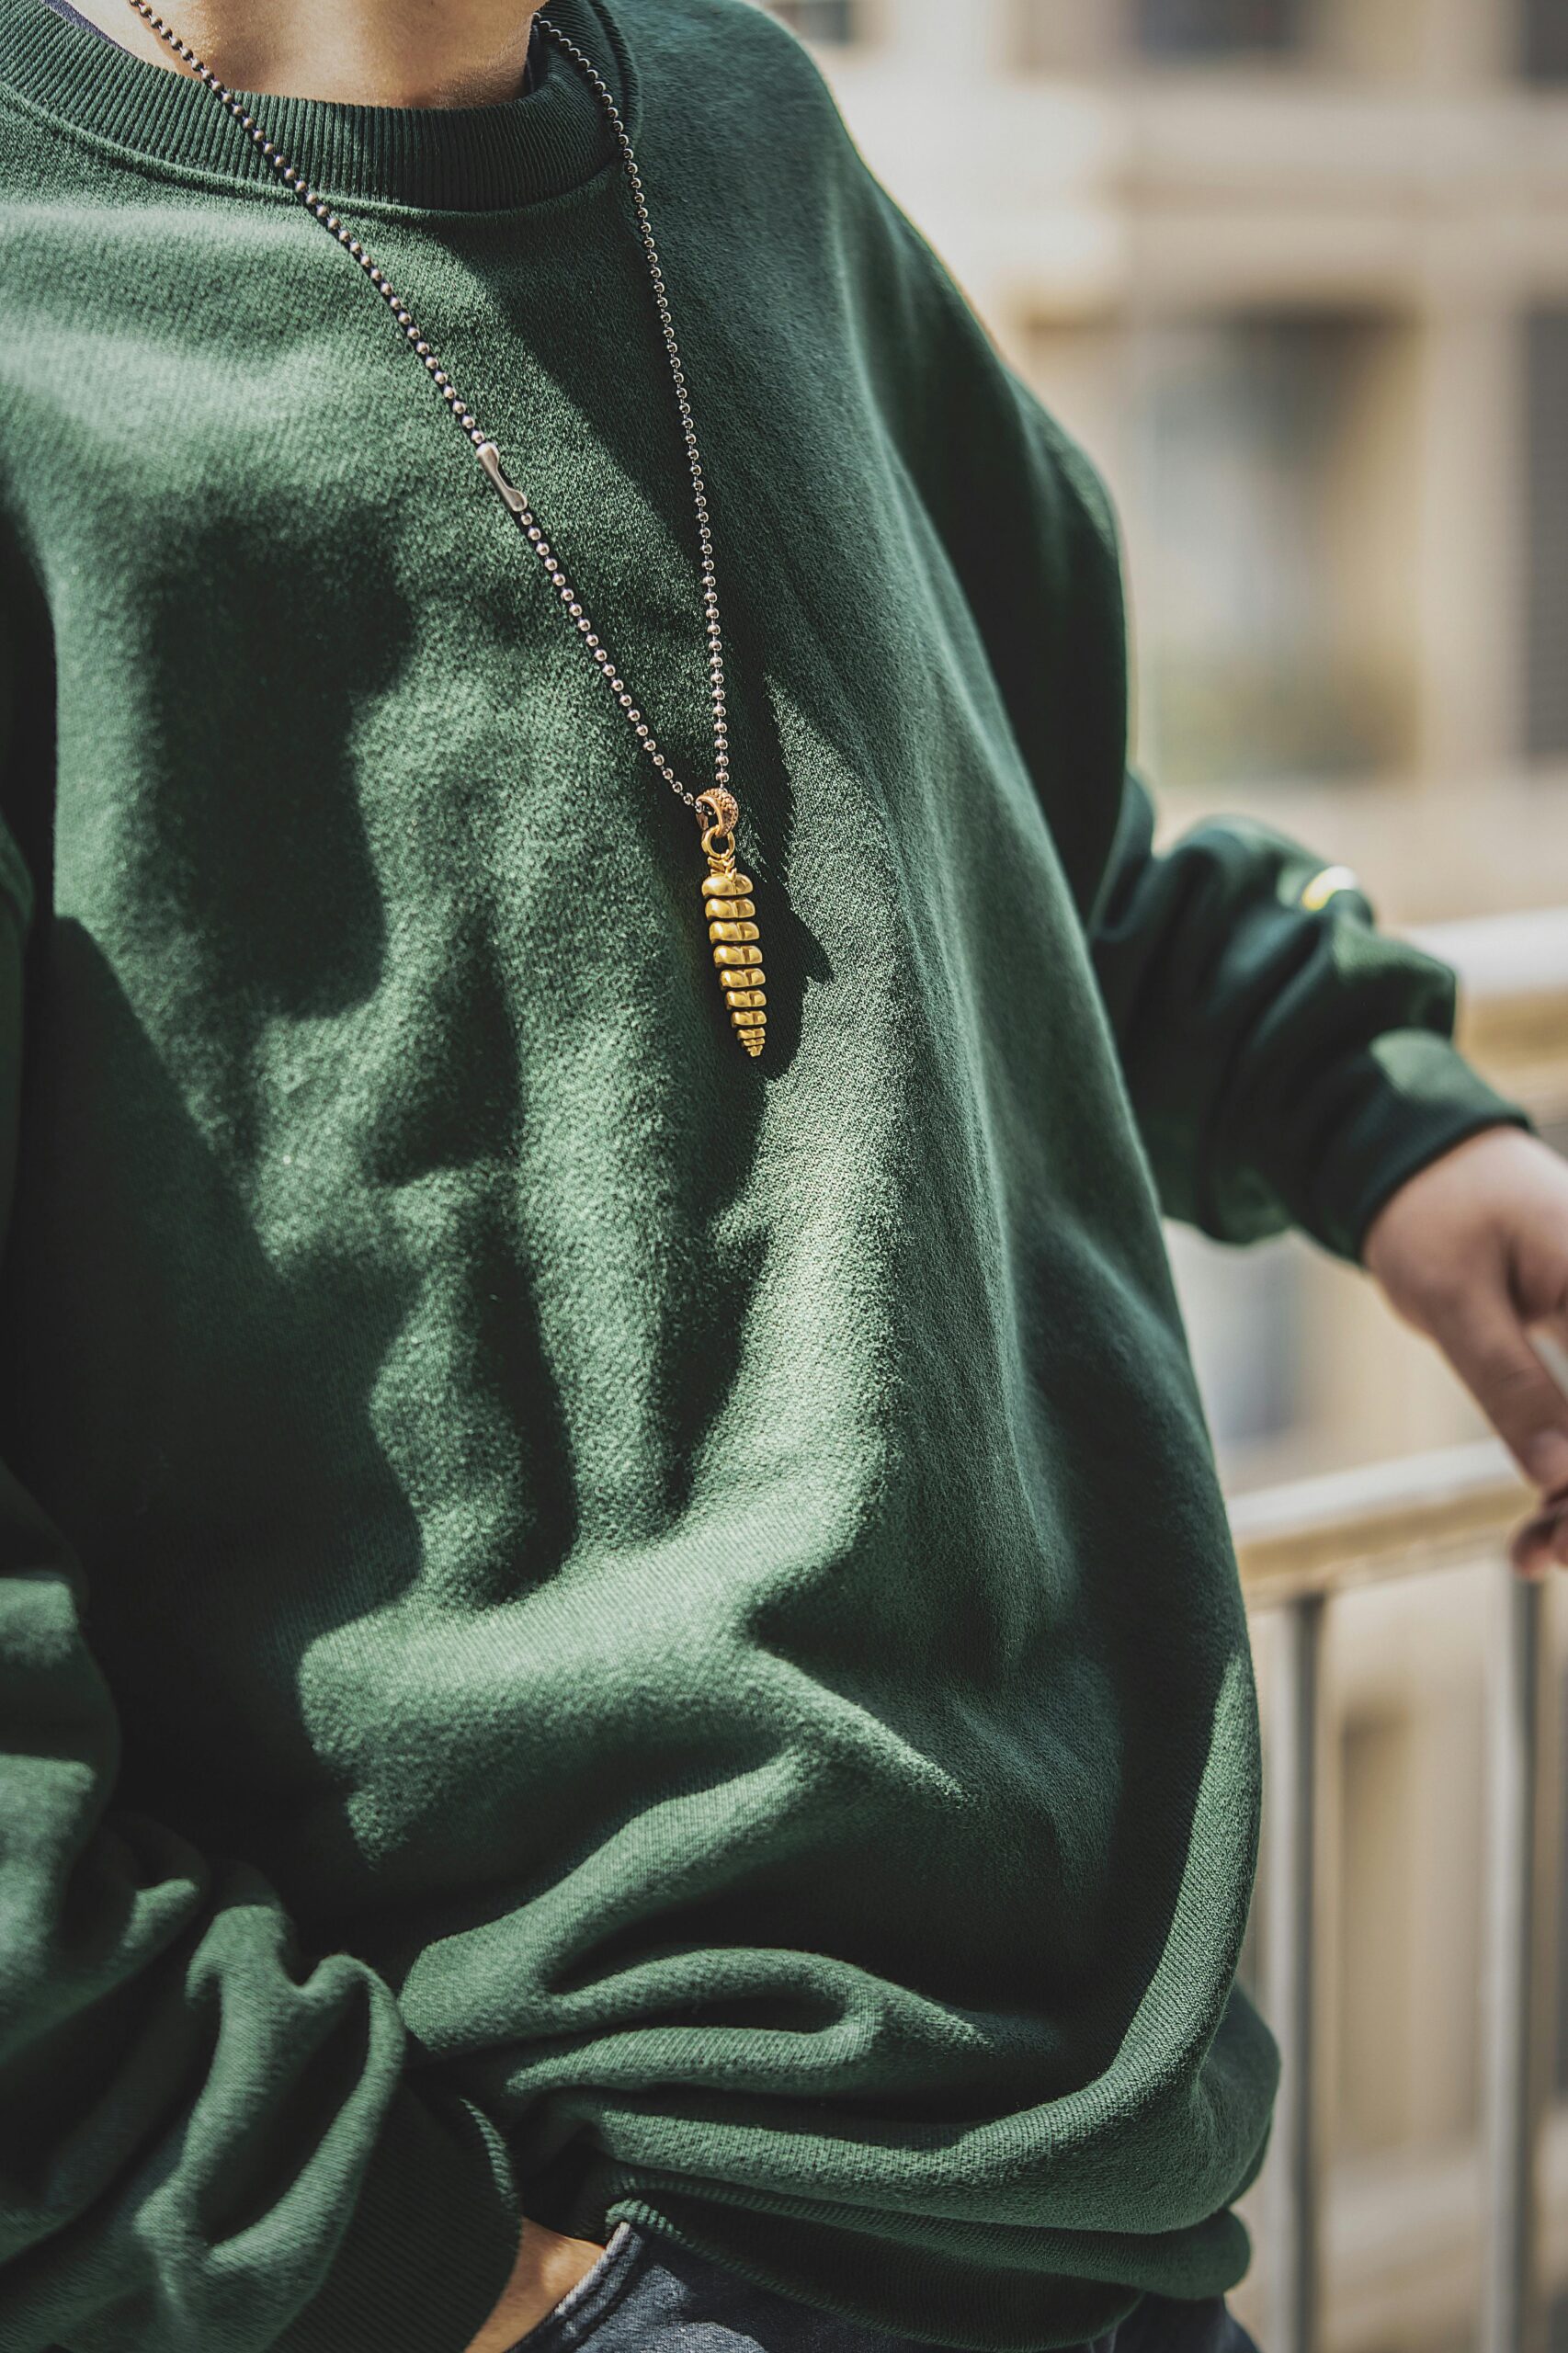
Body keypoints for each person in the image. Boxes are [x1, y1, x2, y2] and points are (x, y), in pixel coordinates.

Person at [2, 1, 1566, 2348]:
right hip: (537, 2221)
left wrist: (1397, 1141)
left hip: (1097, 2182)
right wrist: (388, 2263)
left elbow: (1020, 813)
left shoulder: (736, 131)